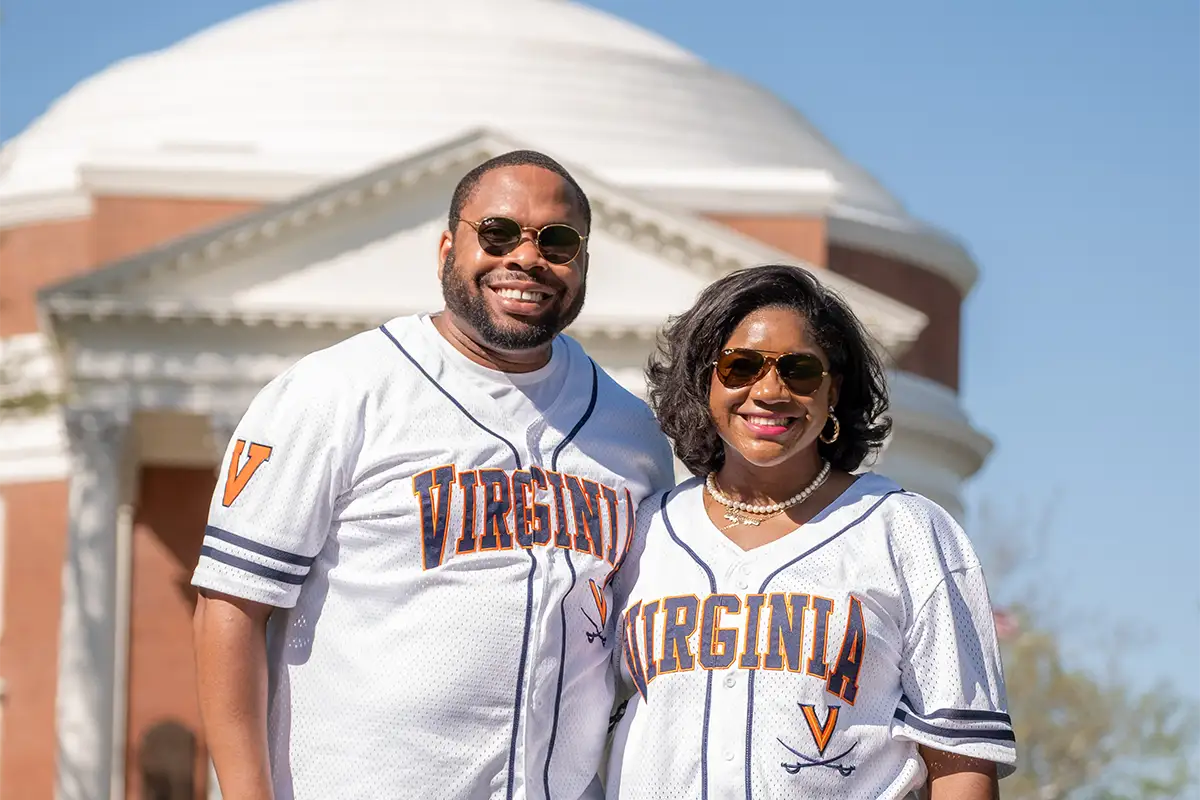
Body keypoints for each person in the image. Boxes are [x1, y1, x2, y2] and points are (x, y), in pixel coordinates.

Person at [191, 150, 676, 800]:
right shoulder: (336, 390)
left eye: (557, 241)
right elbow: (231, 606)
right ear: (448, 247)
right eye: (498, 234)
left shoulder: (632, 433)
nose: (527, 259)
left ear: (583, 263)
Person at [605, 265, 1016, 799]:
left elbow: (962, 764)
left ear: (833, 389)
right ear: (705, 380)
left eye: (799, 371)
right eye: (740, 366)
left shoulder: (907, 531)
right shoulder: (644, 530)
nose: (770, 390)